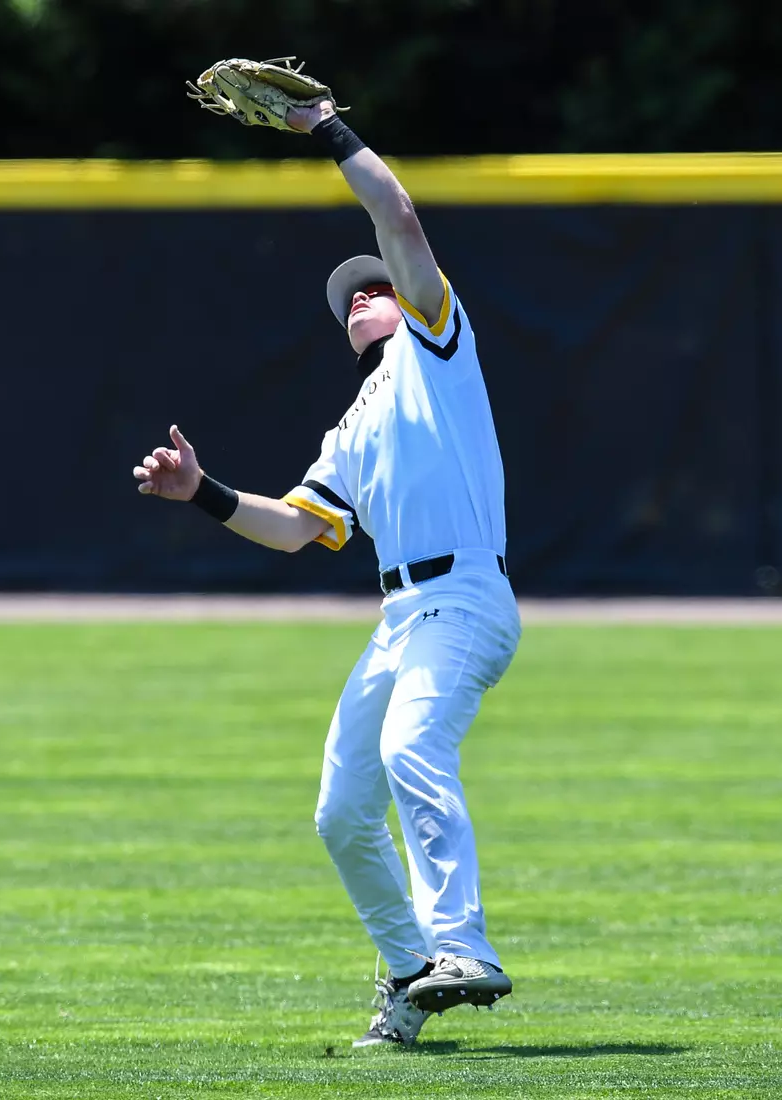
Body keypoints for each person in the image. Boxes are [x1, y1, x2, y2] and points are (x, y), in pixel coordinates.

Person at [131, 96, 519, 1049]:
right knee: (341, 811)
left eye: (372, 286)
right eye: (347, 296)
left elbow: (400, 218)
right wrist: (205, 494)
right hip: (401, 616)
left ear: (408, 296)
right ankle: (409, 972)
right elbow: (295, 530)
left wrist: (325, 129)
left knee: (408, 750)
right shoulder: (349, 429)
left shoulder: (438, 348)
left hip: (465, 596)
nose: (359, 294)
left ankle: (463, 944)